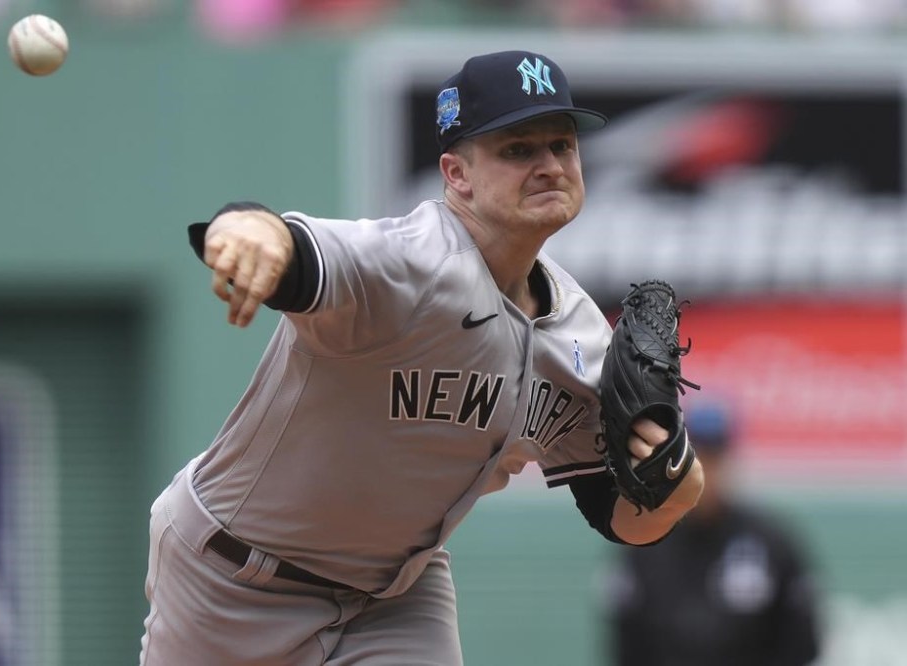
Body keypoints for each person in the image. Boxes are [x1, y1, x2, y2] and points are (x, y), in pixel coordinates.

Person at [138, 50, 705, 666]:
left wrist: (677, 487)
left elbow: (618, 516)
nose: (549, 165)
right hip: (232, 577)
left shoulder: (581, 334)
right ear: (457, 174)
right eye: (518, 149)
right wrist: (250, 231)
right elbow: (296, 247)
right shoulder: (410, 263)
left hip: (394, 596)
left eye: (561, 146)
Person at [603, 399, 821, 666]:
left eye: (714, 457)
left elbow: (801, 642)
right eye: (695, 458)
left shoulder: (770, 543)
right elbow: (626, 643)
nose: (706, 471)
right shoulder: (646, 545)